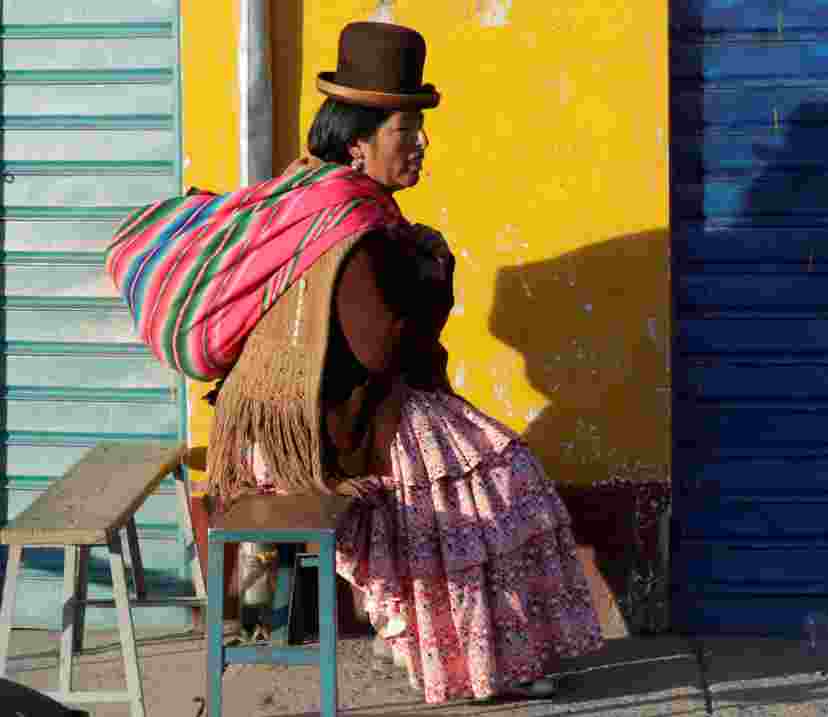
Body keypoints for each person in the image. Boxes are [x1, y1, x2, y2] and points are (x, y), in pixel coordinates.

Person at [107, 22, 604, 704]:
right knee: (495, 478)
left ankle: (433, 651)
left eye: (421, 127)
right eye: (407, 129)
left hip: (298, 415)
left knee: (467, 466)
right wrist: (435, 274)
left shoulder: (311, 193)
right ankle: (479, 665)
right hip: (318, 430)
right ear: (360, 141)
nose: (421, 143)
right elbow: (382, 347)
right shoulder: (353, 223)